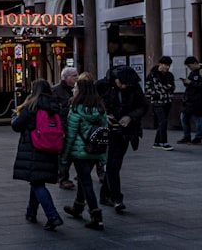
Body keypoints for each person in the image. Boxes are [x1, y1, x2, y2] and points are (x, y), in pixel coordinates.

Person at [10, 79, 64, 231]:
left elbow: (17, 125)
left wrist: (14, 116)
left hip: (34, 148)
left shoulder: (31, 106)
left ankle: (53, 216)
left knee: (37, 183)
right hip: (51, 147)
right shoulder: (54, 105)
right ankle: (31, 212)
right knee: (37, 180)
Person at [97, 65, 149, 213]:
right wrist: (102, 115)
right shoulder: (103, 86)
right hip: (108, 130)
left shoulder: (133, 88)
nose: (125, 86)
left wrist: (130, 117)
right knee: (113, 163)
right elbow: (90, 103)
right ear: (116, 79)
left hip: (126, 130)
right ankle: (117, 198)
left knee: (116, 163)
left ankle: (104, 194)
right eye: (123, 83)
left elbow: (143, 106)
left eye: (128, 84)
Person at [60, 73, 108, 231]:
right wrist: (103, 156)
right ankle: (78, 207)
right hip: (95, 149)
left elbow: (71, 134)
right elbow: (104, 131)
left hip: (80, 152)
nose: (74, 89)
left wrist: (64, 158)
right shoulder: (100, 108)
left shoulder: (75, 108)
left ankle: (96, 216)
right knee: (83, 179)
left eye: (76, 87)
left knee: (86, 182)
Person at [179, 56, 202, 145]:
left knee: (198, 118)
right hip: (189, 99)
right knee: (184, 117)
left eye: (190, 66)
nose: (189, 68)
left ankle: (198, 137)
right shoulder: (193, 73)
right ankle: (186, 136)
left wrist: (190, 83)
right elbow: (192, 85)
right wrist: (186, 83)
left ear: (195, 63)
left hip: (198, 99)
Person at [52, 66, 79, 189]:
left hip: (77, 125)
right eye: (74, 75)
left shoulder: (78, 89)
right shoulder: (56, 91)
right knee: (64, 154)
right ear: (66, 77)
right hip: (64, 126)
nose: (76, 78)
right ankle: (62, 178)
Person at [146, 56, 176, 149]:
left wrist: (170, 88)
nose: (167, 67)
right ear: (160, 64)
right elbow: (148, 88)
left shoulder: (169, 75)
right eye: (165, 65)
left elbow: (173, 87)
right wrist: (157, 94)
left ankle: (157, 142)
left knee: (162, 121)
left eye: (168, 65)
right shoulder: (152, 75)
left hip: (167, 101)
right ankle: (164, 142)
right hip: (157, 101)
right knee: (163, 121)